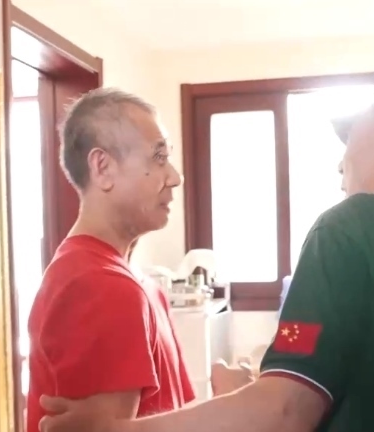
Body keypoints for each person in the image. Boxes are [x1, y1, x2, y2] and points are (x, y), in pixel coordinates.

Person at [36, 78, 374, 432]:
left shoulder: (351, 227)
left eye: (352, 138)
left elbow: (285, 410)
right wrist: (257, 388)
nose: (340, 162)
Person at [26, 88, 254, 432]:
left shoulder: (140, 285)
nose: (175, 177)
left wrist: (227, 403)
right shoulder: (99, 286)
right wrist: (233, 411)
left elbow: (164, 416)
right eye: (158, 157)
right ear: (103, 168)